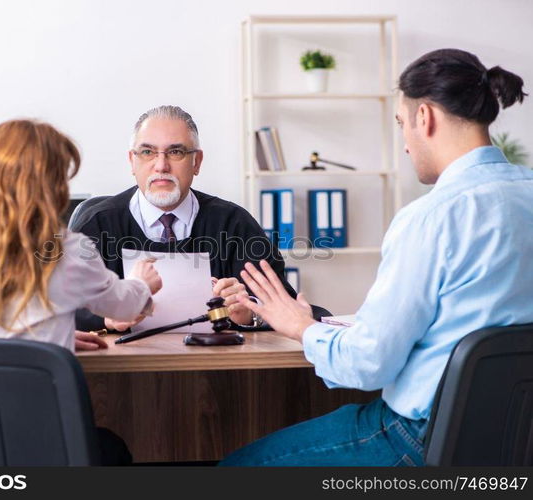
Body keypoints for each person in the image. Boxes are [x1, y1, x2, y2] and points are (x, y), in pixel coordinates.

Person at [220, 48, 533, 466]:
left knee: (234, 468)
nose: (405, 144)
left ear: (425, 117)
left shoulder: (433, 217)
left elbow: (369, 364)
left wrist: (301, 327)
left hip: (422, 439)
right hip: (517, 440)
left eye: (402, 124)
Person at [0, 119, 163, 464]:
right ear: (47, 184)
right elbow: (124, 306)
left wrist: (47, 336)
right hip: (38, 445)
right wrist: (143, 282)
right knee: (112, 449)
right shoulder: (66, 249)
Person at [72, 105, 329, 335]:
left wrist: (250, 313)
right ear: (132, 161)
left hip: (217, 372)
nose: (161, 166)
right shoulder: (97, 224)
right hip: (124, 373)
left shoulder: (234, 224)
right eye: (148, 152)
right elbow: (57, 306)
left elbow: (285, 305)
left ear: (197, 162)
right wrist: (106, 317)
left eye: (176, 152)